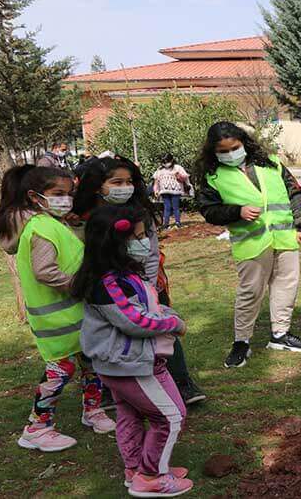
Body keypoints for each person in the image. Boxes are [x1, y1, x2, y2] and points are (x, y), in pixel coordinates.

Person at [72, 205, 193, 497]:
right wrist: (172, 322)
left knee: (130, 415)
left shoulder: (123, 275)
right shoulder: (108, 282)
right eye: (138, 237)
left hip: (124, 364)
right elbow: (133, 320)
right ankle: (150, 477)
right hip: (130, 364)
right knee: (171, 416)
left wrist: (163, 309)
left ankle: (137, 469)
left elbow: (143, 306)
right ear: (114, 243)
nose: (145, 243)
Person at [0, 165, 115, 452]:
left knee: (91, 364)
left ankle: (93, 411)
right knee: (60, 370)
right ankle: (36, 427)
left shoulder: (52, 222)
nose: (65, 199)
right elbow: (46, 272)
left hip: (75, 315)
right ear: (35, 196)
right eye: (57, 194)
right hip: (57, 319)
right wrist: (81, 286)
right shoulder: (40, 227)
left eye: (68, 193)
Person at [72, 157, 206, 405]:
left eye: (129, 181)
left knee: (159, 330)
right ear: (97, 186)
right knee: (111, 333)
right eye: (116, 182)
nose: (125, 186)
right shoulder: (82, 219)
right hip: (108, 288)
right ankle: (110, 387)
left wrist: (148, 285)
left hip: (147, 284)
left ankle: (180, 381)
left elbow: (151, 251)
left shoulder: (140, 213)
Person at [196, 121, 301, 368]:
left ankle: (280, 335)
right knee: (250, 292)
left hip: (284, 237)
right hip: (251, 243)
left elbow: (294, 192)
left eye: (235, 147)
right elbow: (209, 211)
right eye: (223, 150)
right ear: (213, 151)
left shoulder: (271, 162)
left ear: (244, 143)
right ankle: (241, 341)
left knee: (286, 286)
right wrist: (236, 211)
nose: (230, 153)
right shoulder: (213, 176)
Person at [153, 153, 193, 230]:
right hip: (164, 191)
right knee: (167, 207)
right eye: (163, 162)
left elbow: (185, 178)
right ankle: (166, 224)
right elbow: (156, 182)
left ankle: (178, 222)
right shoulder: (160, 170)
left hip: (176, 191)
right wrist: (156, 190)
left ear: (171, 160)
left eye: (167, 161)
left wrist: (179, 176)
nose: (166, 164)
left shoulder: (178, 168)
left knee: (175, 207)